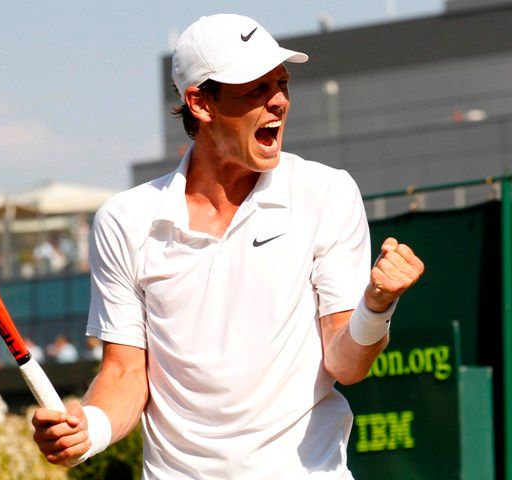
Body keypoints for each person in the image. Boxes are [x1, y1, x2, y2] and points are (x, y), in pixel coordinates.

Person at [31, 14, 425, 478]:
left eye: (282, 84)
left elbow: (346, 363)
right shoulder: (124, 220)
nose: (278, 101)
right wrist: (89, 429)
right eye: (255, 89)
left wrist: (377, 305)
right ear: (200, 102)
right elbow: (124, 375)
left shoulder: (327, 192)